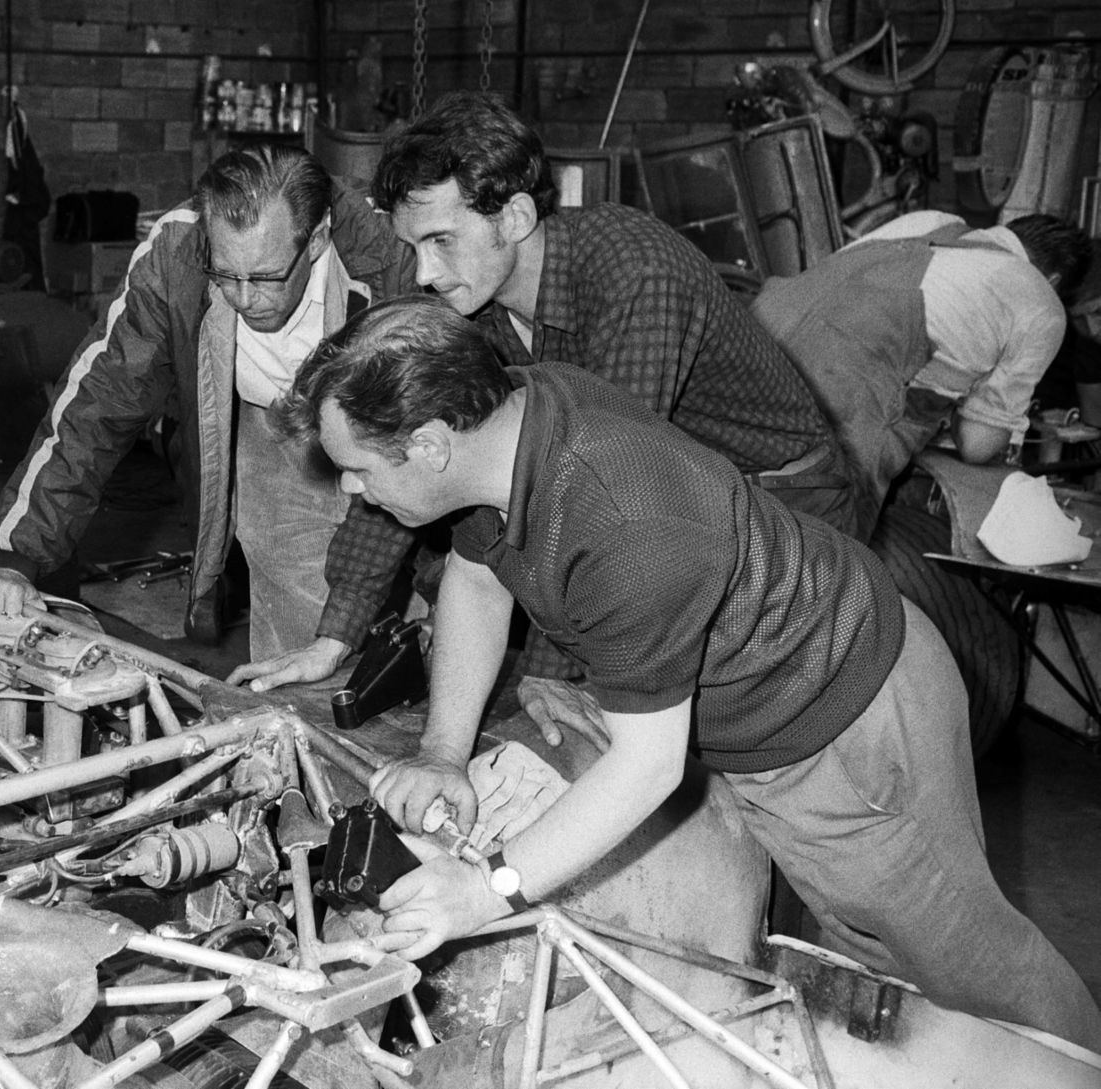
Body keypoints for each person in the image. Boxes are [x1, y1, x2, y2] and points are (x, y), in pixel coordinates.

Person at [281, 293, 1101, 1051]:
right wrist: (442, 752)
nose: (351, 489)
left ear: (427, 445)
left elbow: (647, 765)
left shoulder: (623, 521)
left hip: (844, 710)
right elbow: (477, 575)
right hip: (771, 695)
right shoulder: (512, 413)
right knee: (860, 937)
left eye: (359, 467)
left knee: (965, 957)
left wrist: (484, 889)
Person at [234, 91, 854, 736]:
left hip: (781, 508)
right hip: (656, 519)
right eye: (412, 245)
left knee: (733, 735)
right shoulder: (471, 298)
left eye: (442, 240)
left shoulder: (633, 271)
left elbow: (600, 497)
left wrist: (549, 669)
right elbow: (390, 449)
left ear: (517, 215)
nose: (424, 272)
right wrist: (335, 635)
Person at [0, 145, 413, 659]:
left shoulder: (390, 252)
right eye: (226, 274)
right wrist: (19, 555)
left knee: (417, 595)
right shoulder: (178, 251)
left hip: (390, 425)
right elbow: (97, 404)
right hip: (274, 425)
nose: (245, 298)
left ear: (317, 238)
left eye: (267, 277)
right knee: (306, 617)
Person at [754, 209, 1094, 538]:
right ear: (1053, 281)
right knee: (816, 567)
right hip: (825, 418)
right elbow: (977, 445)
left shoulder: (930, 220)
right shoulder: (1041, 303)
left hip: (749, 354)